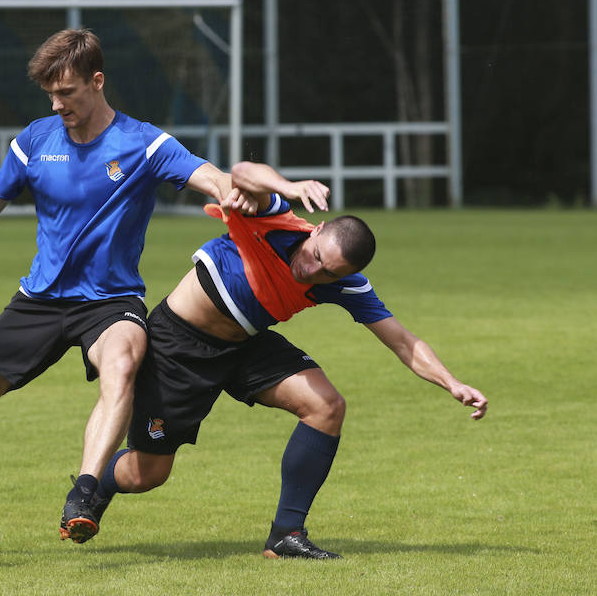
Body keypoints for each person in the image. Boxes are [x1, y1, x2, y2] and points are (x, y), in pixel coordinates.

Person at [0, 28, 255, 559]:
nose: (58, 104)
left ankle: (85, 492)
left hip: (109, 301)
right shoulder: (35, 141)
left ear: (97, 82)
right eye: (50, 94)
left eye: (67, 92)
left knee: (122, 362)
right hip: (39, 300)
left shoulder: (143, 143)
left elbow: (206, 175)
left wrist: (232, 192)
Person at [84, 161, 488, 559]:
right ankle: (93, 489)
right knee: (146, 475)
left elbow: (402, 341)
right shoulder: (275, 215)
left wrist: (452, 382)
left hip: (245, 343)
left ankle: (286, 534)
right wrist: (291, 187)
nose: (309, 269)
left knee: (327, 407)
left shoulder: (344, 284)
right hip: (179, 346)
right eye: (315, 255)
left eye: (326, 272)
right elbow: (242, 173)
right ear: (318, 229)